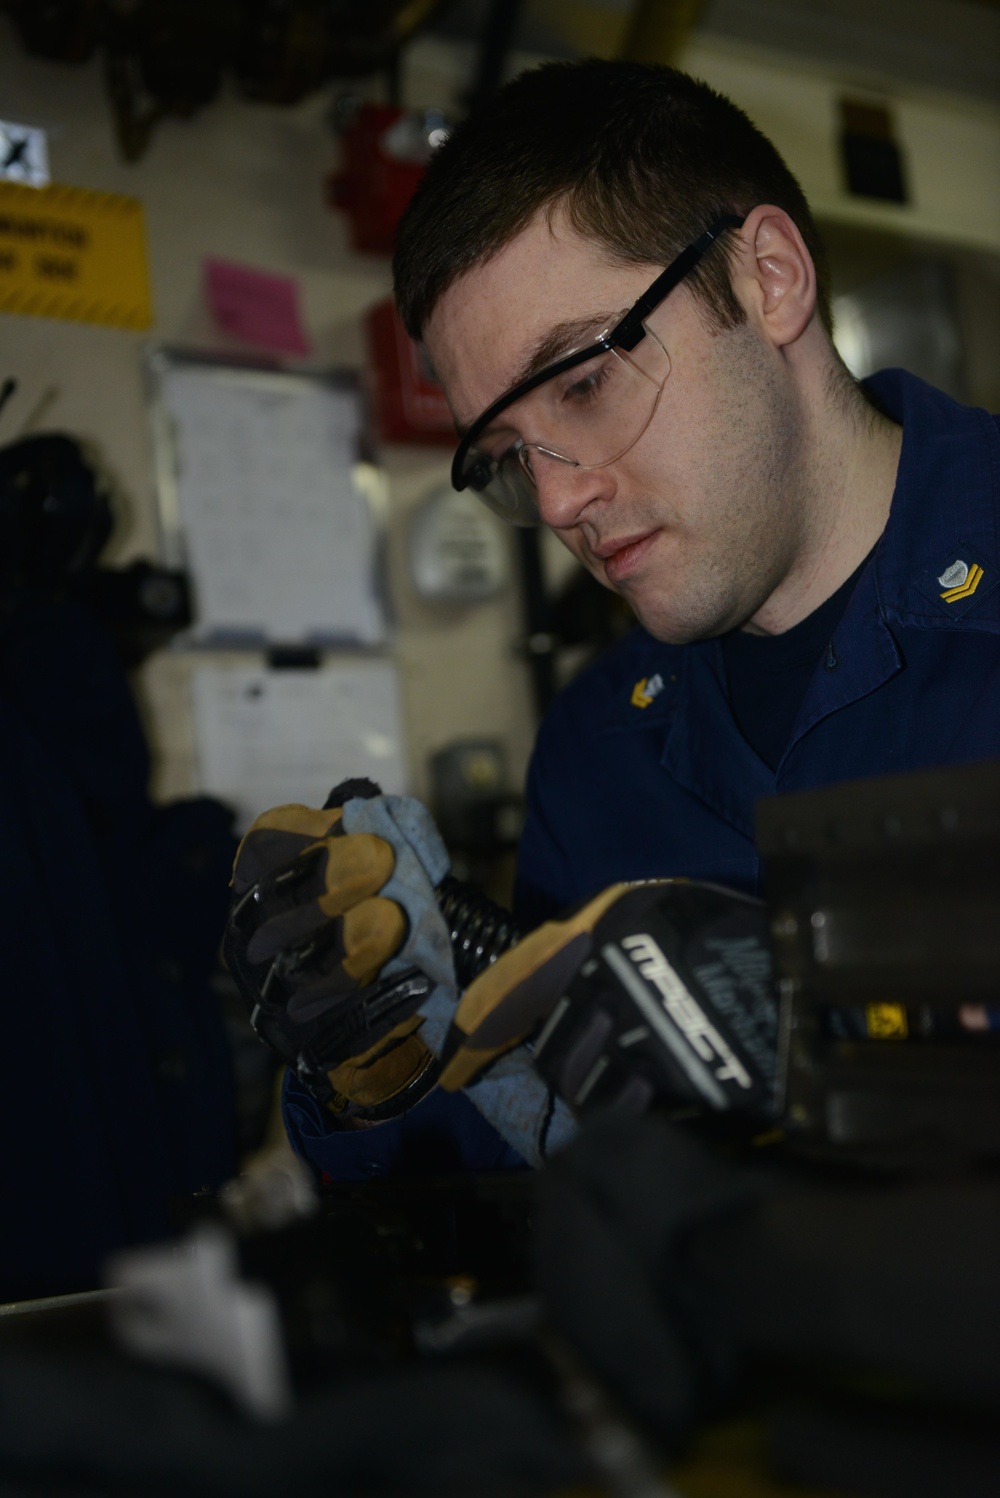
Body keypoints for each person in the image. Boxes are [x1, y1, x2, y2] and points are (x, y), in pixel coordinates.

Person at [228, 59, 1000, 1182]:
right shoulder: (598, 753)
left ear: (769, 277)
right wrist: (391, 1075)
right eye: (504, 454)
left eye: (583, 384)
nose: (553, 501)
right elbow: (537, 1200)